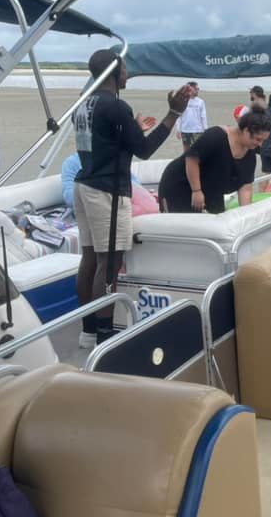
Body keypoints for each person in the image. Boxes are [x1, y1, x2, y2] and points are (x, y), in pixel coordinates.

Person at [72, 49, 193, 347]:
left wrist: (132, 128)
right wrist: (174, 113)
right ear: (114, 72)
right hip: (107, 190)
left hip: (84, 183)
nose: (127, 74)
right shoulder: (115, 107)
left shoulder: (84, 102)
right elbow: (145, 150)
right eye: (124, 69)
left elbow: (109, 142)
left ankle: (88, 330)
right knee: (109, 262)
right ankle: (103, 332)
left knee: (89, 258)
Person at [159, 106, 271, 213]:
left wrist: (246, 215)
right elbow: (191, 159)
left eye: (263, 141)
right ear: (246, 131)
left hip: (212, 192)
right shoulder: (216, 136)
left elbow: (245, 187)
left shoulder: (250, 154)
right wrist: (196, 191)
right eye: (258, 139)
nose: (260, 145)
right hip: (179, 184)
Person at [176, 81, 207, 151]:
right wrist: (178, 130)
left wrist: (205, 129)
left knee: (198, 149)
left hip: (198, 130)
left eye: (198, 89)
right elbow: (178, 116)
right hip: (185, 130)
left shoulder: (200, 102)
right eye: (196, 89)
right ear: (190, 89)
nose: (198, 90)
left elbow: (203, 116)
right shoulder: (182, 100)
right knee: (186, 149)